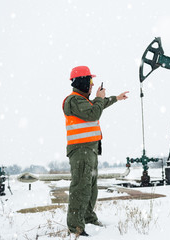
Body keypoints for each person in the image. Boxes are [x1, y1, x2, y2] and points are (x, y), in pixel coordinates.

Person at [62, 66, 128, 236]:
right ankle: (75, 226)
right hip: (80, 151)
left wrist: (116, 98)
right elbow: (93, 113)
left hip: (90, 151)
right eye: (90, 81)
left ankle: (88, 218)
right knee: (80, 188)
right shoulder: (73, 100)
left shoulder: (84, 100)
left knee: (91, 188)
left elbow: (99, 104)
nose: (92, 85)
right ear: (82, 81)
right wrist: (99, 98)